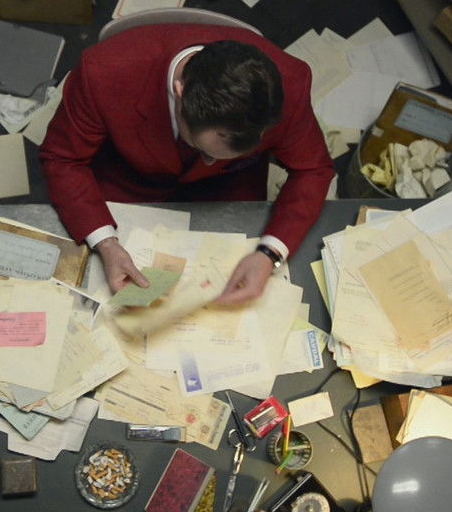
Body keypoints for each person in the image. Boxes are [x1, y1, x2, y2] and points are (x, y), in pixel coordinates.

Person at [39, 23, 335, 305]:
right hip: (129, 176)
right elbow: (62, 158)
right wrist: (106, 242)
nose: (209, 162)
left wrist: (270, 253)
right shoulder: (103, 73)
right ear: (180, 93)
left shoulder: (289, 85)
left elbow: (313, 169)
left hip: (228, 187)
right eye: (205, 151)